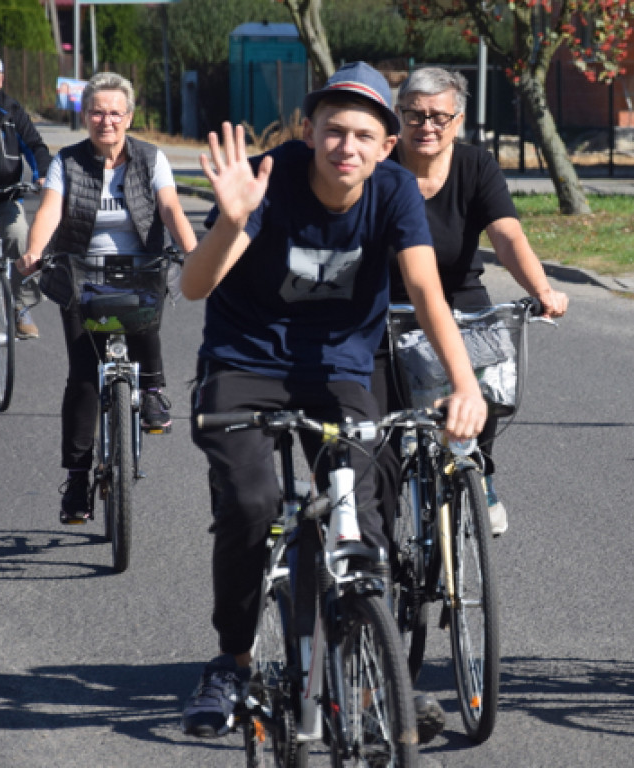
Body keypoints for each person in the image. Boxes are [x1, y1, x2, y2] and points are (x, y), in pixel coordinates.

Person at [177, 62, 486, 742]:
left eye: (364, 136)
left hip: (342, 368)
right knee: (252, 504)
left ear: (386, 146)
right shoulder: (269, 178)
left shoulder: (395, 191)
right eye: (334, 130)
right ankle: (231, 663)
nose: (347, 146)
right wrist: (232, 222)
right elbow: (194, 286)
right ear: (310, 132)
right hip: (244, 361)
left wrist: (464, 385)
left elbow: (426, 292)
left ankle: (368, 675)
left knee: (362, 511)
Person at [371, 66, 568, 537]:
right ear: (398, 117)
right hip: (389, 302)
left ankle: (480, 471)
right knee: (386, 430)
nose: (426, 126)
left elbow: (507, 236)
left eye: (439, 117)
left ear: (457, 121)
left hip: (460, 297)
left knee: (491, 378)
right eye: (414, 115)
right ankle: (384, 529)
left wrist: (540, 289)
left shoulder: (476, 165)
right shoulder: (377, 168)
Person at [17, 72, 198, 523]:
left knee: (144, 318)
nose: (107, 121)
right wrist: (35, 251)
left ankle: (153, 391)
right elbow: (50, 210)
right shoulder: (68, 161)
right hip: (80, 274)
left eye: (116, 113)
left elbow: (170, 208)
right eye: (98, 112)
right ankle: (78, 479)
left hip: (139, 271)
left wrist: (194, 252)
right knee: (83, 376)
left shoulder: (151, 158)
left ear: (129, 117)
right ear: (85, 117)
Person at [0, 50, 51, 339]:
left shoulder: (12, 112)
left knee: (21, 239)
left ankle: (21, 305)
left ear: (0, 80)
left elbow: (35, 146)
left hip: (4, 196)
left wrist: (42, 174)